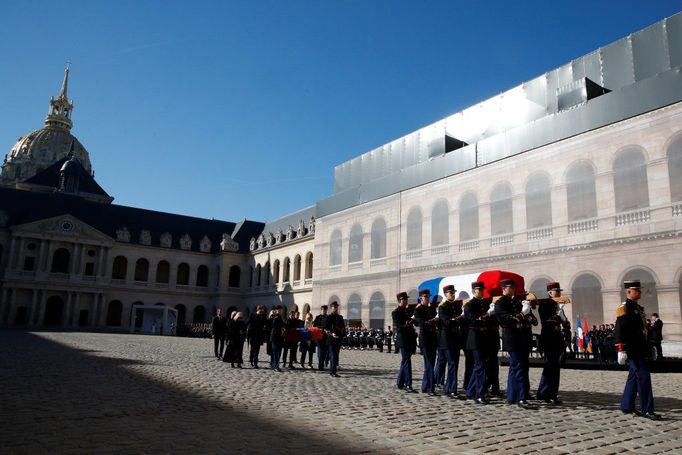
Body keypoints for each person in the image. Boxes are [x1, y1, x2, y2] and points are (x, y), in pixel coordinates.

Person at [615, 280, 661, 419]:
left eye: (640, 290)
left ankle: (627, 405)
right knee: (643, 377)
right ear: (629, 292)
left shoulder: (639, 308)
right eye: (637, 290)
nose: (640, 292)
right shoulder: (624, 307)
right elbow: (619, 328)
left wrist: (650, 346)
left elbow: (643, 330)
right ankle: (647, 409)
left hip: (640, 347)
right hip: (632, 349)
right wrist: (620, 349)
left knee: (633, 377)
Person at [495, 279, 532, 408]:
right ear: (504, 288)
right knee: (519, 367)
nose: (513, 289)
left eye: (514, 287)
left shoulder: (516, 301)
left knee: (515, 367)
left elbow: (528, 319)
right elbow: (507, 319)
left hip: (522, 337)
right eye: (511, 287)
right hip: (511, 338)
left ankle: (511, 396)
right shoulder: (500, 303)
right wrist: (523, 313)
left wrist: (528, 313)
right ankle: (521, 397)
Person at [537, 282, 568, 405]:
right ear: (550, 292)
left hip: (557, 339)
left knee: (556, 368)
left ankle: (552, 394)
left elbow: (565, 324)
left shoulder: (558, 305)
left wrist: (563, 318)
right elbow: (545, 320)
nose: (559, 293)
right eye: (556, 291)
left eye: (559, 291)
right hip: (548, 338)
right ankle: (544, 393)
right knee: (549, 367)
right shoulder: (545, 305)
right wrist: (557, 314)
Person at [435, 284, 465, 399]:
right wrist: (458, 319)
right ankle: (452, 390)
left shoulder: (456, 306)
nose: (453, 294)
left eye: (453, 292)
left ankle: (448, 388)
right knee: (452, 364)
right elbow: (446, 322)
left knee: (455, 364)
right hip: (447, 339)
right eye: (450, 293)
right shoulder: (443, 307)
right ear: (445, 294)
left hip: (455, 339)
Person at [464, 281, 492, 404]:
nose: (481, 292)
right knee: (480, 365)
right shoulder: (470, 305)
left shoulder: (484, 303)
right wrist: (487, 315)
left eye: (482, 290)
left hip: (484, 338)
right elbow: (472, 320)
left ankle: (470, 391)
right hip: (475, 338)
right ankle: (479, 394)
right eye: (478, 290)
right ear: (473, 291)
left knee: (478, 366)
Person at [413, 289, 438, 396]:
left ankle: (424, 386)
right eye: (425, 297)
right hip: (425, 338)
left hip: (433, 338)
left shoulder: (432, 309)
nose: (427, 298)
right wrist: (429, 321)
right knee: (428, 363)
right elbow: (419, 322)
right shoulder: (417, 310)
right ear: (421, 298)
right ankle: (430, 388)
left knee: (431, 363)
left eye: (428, 296)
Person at [393, 292, 417, 392]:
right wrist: (406, 324)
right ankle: (408, 384)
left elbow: (415, 322)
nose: (406, 301)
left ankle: (399, 382)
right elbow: (398, 326)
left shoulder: (409, 310)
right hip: (403, 338)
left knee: (405, 360)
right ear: (400, 301)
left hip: (410, 338)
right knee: (407, 360)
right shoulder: (396, 312)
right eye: (404, 299)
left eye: (407, 299)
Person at [324, 301, 345, 377]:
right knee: (333, 354)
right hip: (331, 339)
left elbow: (343, 327)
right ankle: (333, 372)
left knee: (336, 355)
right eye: (334, 307)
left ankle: (333, 370)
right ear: (331, 308)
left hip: (338, 339)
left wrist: (342, 331)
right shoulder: (329, 317)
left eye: (336, 307)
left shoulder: (340, 317)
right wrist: (331, 333)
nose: (335, 308)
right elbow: (326, 328)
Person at [313, 305, 329, 370]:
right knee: (320, 350)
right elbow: (314, 326)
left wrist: (325, 329)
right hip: (319, 336)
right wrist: (320, 329)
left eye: (325, 310)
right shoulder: (317, 317)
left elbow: (328, 326)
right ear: (321, 310)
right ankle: (320, 365)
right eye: (322, 310)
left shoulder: (328, 317)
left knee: (325, 351)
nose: (324, 311)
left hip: (326, 337)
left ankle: (323, 362)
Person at [270, 306, 285, 372]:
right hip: (275, 337)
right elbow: (273, 325)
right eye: (278, 310)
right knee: (276, 352)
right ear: (276, 310)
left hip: (280, 337)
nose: (280, 311)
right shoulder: (274, 317)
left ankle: (275, 365)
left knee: (278, 352)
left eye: (280, 310)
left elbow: (282, 325)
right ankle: (275, 366)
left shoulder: (280, 317)